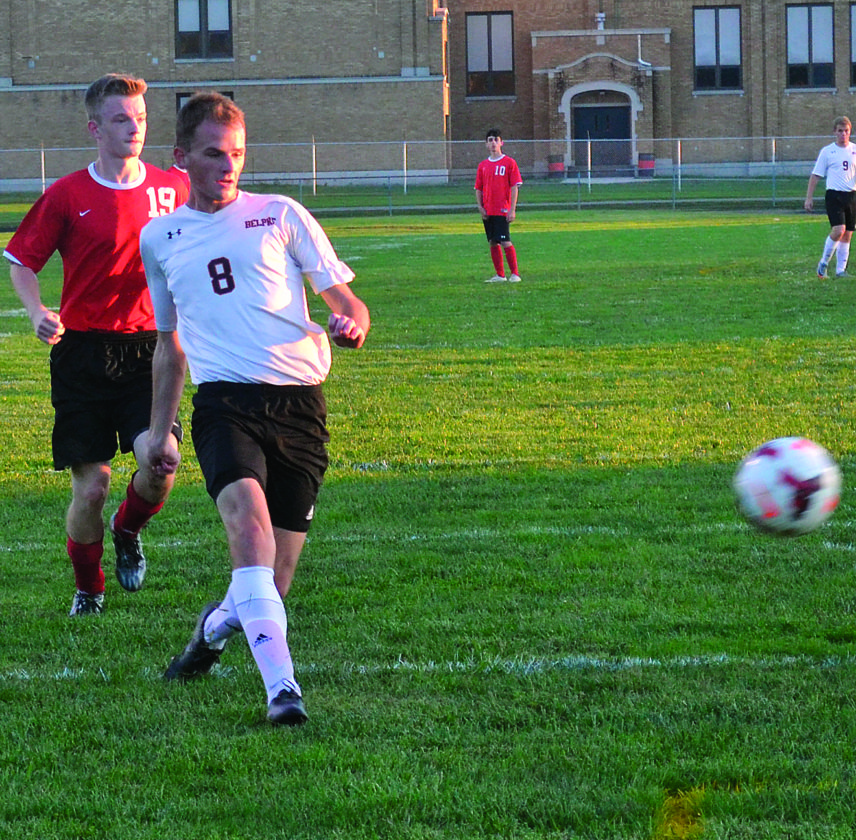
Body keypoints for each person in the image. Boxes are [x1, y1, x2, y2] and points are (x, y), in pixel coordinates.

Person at [140, 92, 370, 726]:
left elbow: (350, 304)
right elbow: (169, 344)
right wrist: (158, 432)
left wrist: (351, 324)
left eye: (237, 154)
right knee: (248, 533)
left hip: (300, 406)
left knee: (272, 581)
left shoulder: (281, 214)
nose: (228, 166)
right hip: (224, 405)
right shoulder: (159, 237)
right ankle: (283, 691)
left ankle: (212, 631)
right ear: (182, 157)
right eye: (215, 154)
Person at [3, 73, 188, 616]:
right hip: (82, 352)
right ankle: (89, 587)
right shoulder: (67, 194)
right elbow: (20, 261)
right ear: (95, 129)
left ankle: (127, 529)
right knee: (91, 489)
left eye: (141, 118)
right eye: (121, 119)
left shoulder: (173, 189)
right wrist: (37, 311)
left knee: (162, 462)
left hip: (151, 351)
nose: (135, 128)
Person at [804, 115, 856, 278]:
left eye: (846, 131)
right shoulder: (827, 152)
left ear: (850, 131)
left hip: (852, 196)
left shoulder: (854, 150)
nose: (843, 134)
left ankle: (841, 270)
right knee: (838, 230)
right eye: (840, 131)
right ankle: (823, 264)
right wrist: (809, 198)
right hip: (834, 195)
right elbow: (815, 176)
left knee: (848, 233)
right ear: (834, 132)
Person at [475, 128, 523, 283]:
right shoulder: (483, 165)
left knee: (505, 240)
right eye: (490, 140)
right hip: (488, 210)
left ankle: (515, 274)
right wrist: (480, 207)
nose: (493, 143)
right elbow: (478, 188)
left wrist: (512, 209)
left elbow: (514, 187)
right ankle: (500, 275)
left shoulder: (509, 163)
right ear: (486, 144)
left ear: (501, 143)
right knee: (492, 241)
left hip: (502, 209)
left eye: (496, 140)